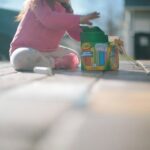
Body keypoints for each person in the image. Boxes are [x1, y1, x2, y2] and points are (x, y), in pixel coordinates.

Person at [10, 0, 100, 71]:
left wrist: (89, 34)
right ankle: (54, 63)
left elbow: (74, 31)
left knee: (75, 55)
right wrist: (79, 19)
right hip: (25, 49)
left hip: (50, 51)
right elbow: (50, 20)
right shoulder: (38, 2)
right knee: (20, 58)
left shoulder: (66, 10)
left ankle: (50, 63)